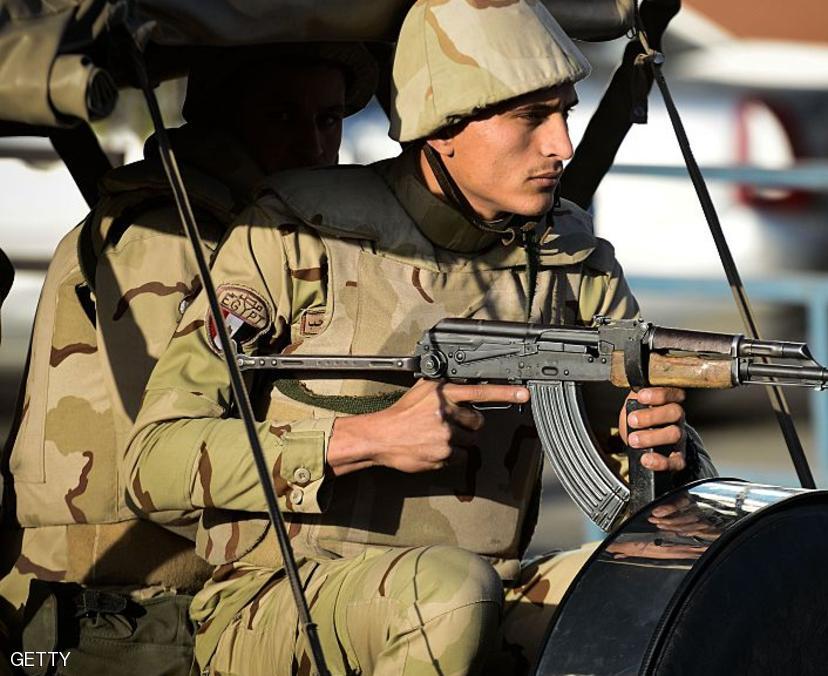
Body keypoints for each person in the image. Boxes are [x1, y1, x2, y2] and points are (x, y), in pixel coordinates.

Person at [125, 1, 714, 674]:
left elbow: (641, 488)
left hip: (486, 586)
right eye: (530, 117)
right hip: (278, 602)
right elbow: (151, 462)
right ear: (443, 127)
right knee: (452, 593)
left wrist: (668, 459)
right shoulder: (295, 235)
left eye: (566, 113)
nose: (562, 145)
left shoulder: (571, 260)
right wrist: (363, 439)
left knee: (678, 590)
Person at [0, 42, 378, 651]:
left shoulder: (254, 227)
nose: (312, 146)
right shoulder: (173, 231)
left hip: (171, 600)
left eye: (328, 119)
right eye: (281, 118)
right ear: (223, 116)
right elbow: (159, 461)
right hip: (109, 608)